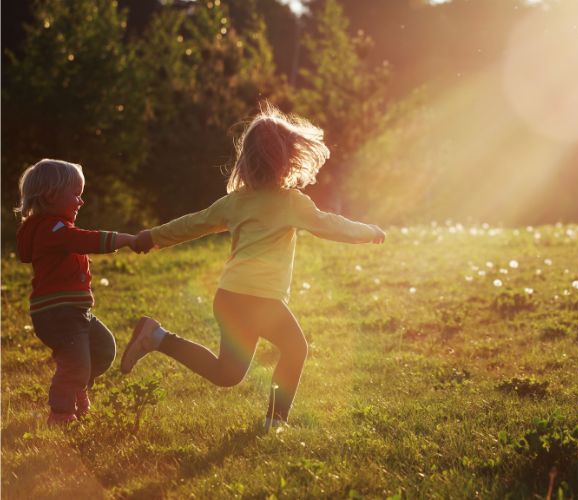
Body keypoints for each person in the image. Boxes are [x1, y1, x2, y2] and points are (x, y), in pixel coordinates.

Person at [121, 103, 385, 429]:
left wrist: (151, 237)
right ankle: (275, 421)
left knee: (226, 373)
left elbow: (192, 223)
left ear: (248, 158)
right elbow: (331, 225)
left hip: (230, 298)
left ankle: (157, 337)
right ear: (288, 159)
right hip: (258, 300)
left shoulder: (235, 202)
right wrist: (370, 232)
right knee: (296, 349)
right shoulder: (291, 203)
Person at [16, 159, 137, 425]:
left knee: (103, 348)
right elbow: (84, 239)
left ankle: (76, 388)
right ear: (51, 195)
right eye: (76, 194)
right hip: (59, 314)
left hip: (73, 312)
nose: (81, 202)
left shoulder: (55, 228)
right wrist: (125, 239)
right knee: (76, 364)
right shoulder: (52, 229)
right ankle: (60, 414)